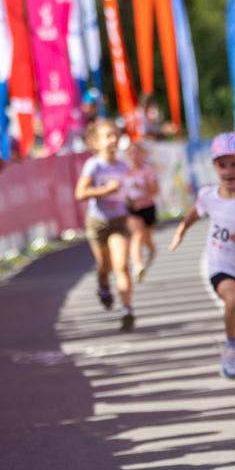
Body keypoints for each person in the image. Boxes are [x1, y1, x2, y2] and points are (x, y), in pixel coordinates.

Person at [169, 133, 235, 412]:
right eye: (222, 165)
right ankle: (230, 346)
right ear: (215, 167)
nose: (228, 171)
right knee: (233, 299)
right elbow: (194, 213)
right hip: (221, 265)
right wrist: (181, 231)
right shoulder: (208, 195)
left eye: (233, 164)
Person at [74, 119, 136, 331]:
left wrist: (133, 197)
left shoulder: (123, 166)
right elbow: (80, 193)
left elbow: (128, 192)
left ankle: (127, 309)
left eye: (116, 135)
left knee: (121, 265)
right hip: (98, 222)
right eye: (108, 136)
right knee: (104, 266)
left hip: (119, 220)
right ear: (96, 142)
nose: (113, 140)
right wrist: (105, 190)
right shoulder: (94, 165)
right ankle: (103, 284)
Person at [123, 140, 159, 282]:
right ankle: (138, 266)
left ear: (143, 154)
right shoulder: (124, 171)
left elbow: (154, 191)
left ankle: (152, 248)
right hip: (132, 209)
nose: (134, 156)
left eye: (137, 153)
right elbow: (121, 191)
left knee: (146, 239)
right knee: (137, 235)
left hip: (147, 207)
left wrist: (142, 189)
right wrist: (130, 201)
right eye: (131, 153)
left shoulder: (148, 170)